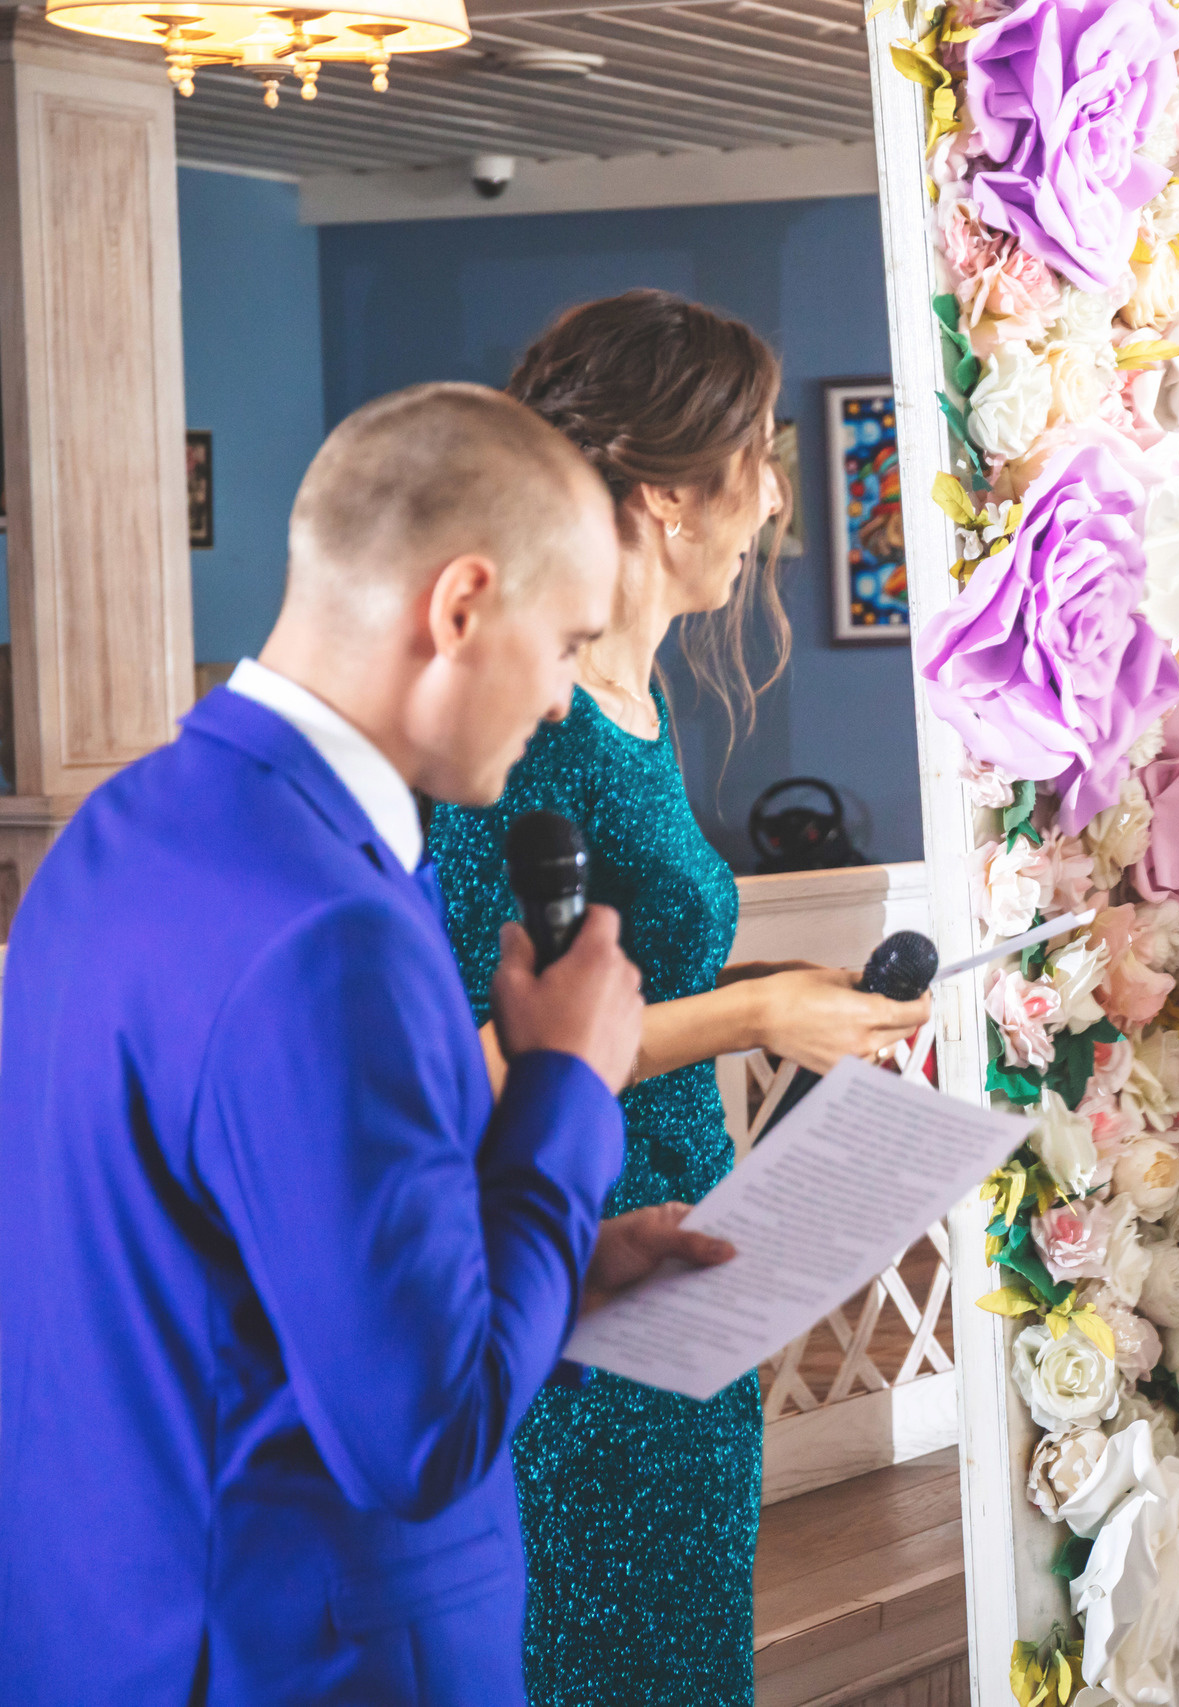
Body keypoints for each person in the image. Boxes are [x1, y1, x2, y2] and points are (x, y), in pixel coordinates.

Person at [0, 383, 736, 1703]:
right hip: (305, 1652)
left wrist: (565, 1266)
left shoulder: (110, 839)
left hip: (107, 1625)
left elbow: (258, 1294)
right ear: (460, 605)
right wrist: (568, 1084)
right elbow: (422, 1430)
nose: (565, 700)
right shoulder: (332, 928)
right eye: (565, 642)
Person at [425, 289, 929, 1707]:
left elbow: (630, 982)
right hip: (568, 1264)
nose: (777, 496)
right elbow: (475, 1054)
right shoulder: (529, 716)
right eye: (762, 458)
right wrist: (758, 1019)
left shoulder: (643, 700)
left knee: (687, 1653)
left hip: (686, 1259)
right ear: (666, 496)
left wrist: (787, 988)